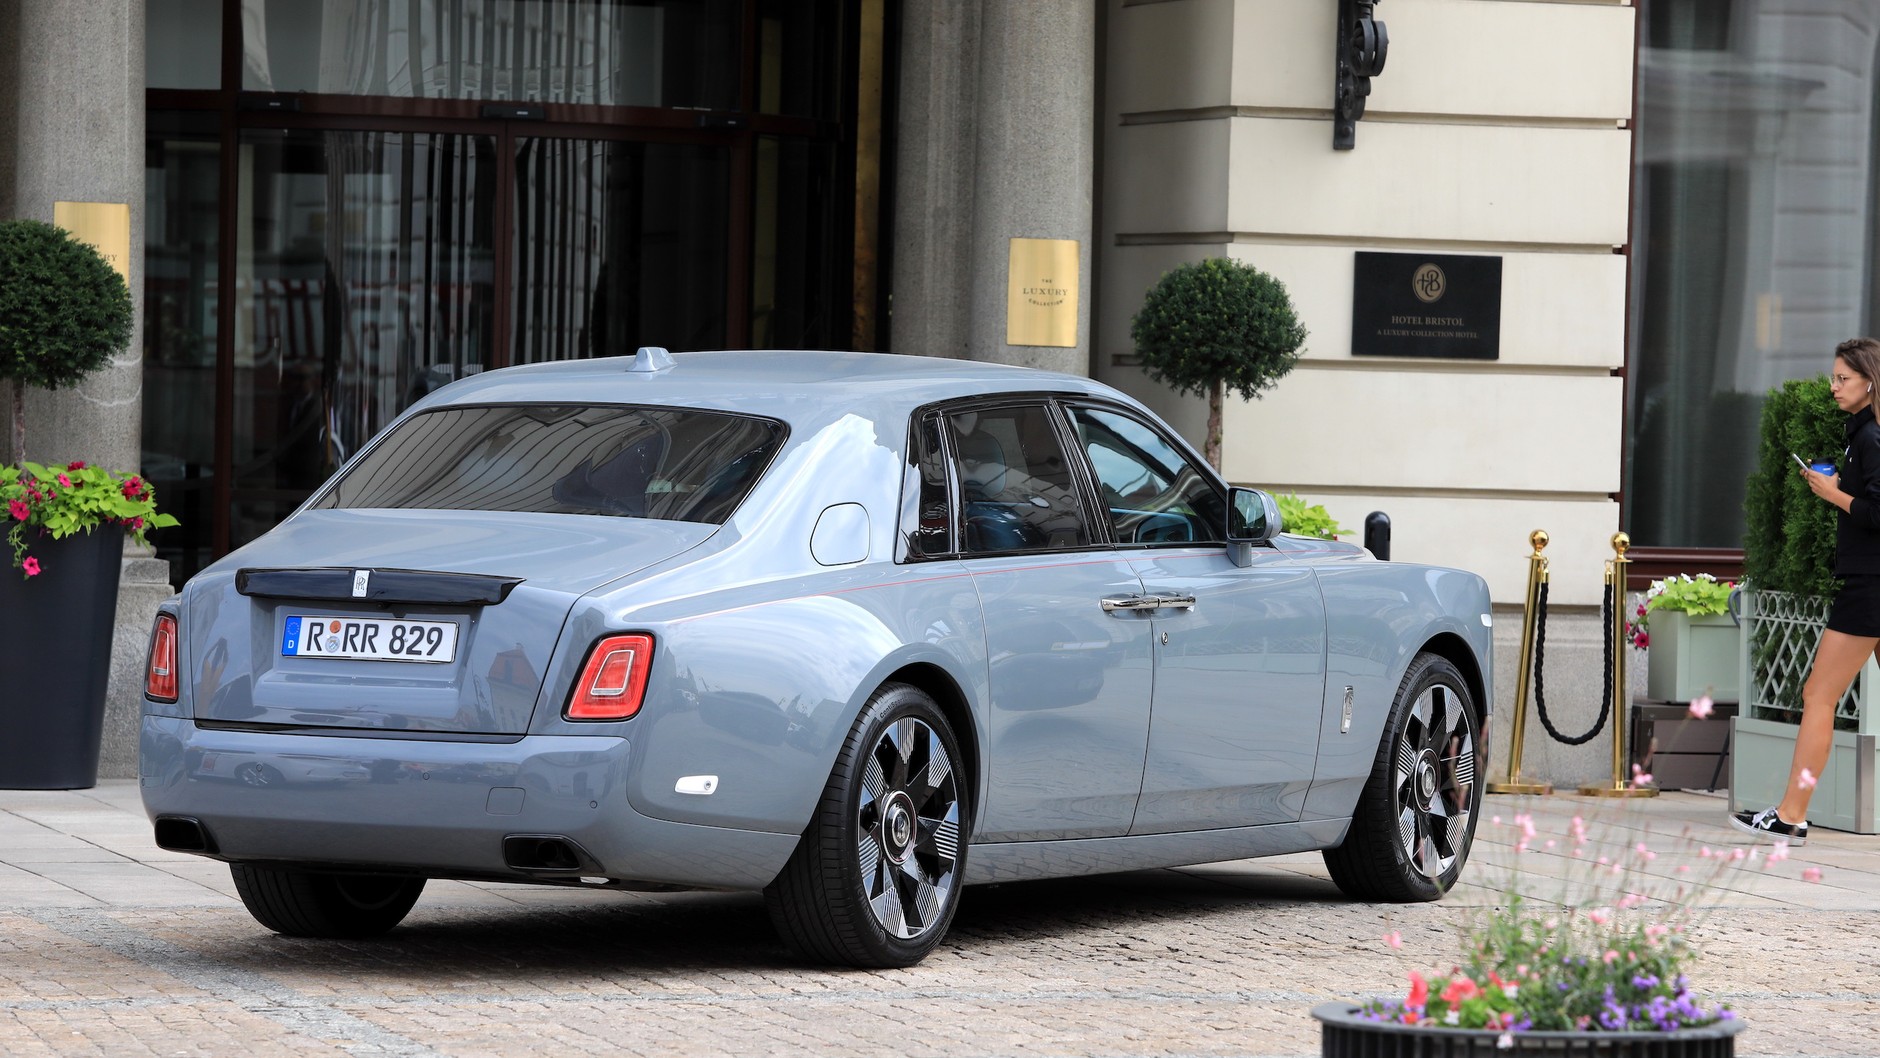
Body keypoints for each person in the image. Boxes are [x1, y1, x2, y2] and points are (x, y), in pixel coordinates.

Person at [1733, 336, 1880, 845]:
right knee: (1821, 694)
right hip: (1870, 579)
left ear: (1870, 381)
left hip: (1869, 584)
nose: (1833, 386)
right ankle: (1790, 812)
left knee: (1819, 693)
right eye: (1834, 376)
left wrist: (1832, 492)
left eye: (1843, 378)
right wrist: (1842, 485)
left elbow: (1878, 513)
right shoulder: (1862, 433)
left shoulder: (1872, 436)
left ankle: (1792, 814)